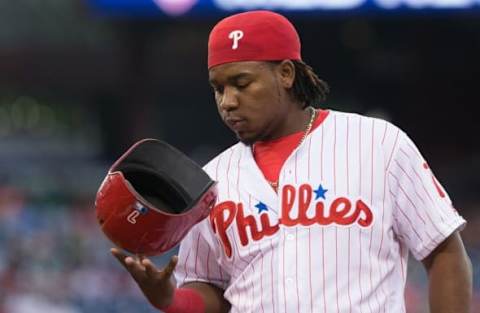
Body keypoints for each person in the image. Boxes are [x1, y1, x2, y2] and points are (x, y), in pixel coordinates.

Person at [111, 10, 472, 313]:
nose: (228, 102)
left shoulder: (378, 143)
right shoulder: (211, 181)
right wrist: (171, 299)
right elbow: (212, 289)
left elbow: (444, 253)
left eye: (241, 83)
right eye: (218, 88)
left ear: (285, 73)